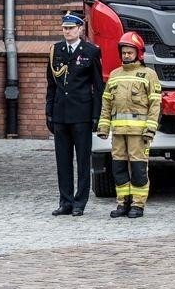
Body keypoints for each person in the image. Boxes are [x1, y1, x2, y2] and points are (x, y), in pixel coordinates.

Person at [96, 31, 162, 219]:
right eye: (124, 52)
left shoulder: (149, 75)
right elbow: (106, 103)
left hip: (138, 134)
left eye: (129, 52)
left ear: (138, 53)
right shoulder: (115, 75)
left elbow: (155, 104)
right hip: (118, 133)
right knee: (118, 169)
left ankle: (138, 204)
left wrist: (150, 130)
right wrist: (103, 127)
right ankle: (122, 203)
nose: (126, 55)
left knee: (139, 169)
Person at [45, 12, 103, 216]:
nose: (67, 31)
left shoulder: (91, 51)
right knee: (63, 161)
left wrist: (96, 115)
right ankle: (65, 201)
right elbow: (51, 86)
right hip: (61, 113)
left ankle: (80, 202)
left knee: (83, 161)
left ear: (80, 29)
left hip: (82, 113)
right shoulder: (56, 50)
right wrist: (49, 112)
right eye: (64, 28)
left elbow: (97, 86)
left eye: (71, 28)